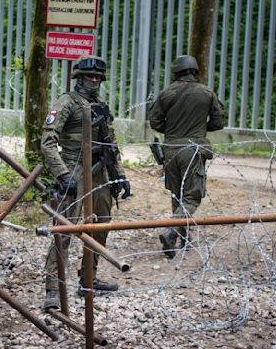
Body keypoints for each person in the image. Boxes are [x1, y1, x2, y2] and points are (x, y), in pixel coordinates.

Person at [41, 55, 131, 311]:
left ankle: (88, 279)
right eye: (89, 76)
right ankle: (53, 288)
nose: (94, 80)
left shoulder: (101, 105)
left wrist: (120, 175)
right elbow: (47, 142)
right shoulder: (66, 102)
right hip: (74, 168)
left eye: (98, 77)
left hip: (101, 170)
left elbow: (111, 145)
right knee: (65, 230)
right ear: (79, 77)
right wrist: (62, 173)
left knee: (101, 225)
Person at [149, 55, 225, 258]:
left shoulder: (166, 93)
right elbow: (219, 122)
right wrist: (199, 128)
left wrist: (173, 130)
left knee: (177, 193)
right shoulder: (206, 93)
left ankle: (182, 238)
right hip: (193, 149)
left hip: (171, 149)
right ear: (195, 71)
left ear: (176, 72)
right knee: (192, 195)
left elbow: (155, 122)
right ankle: (172, 231)